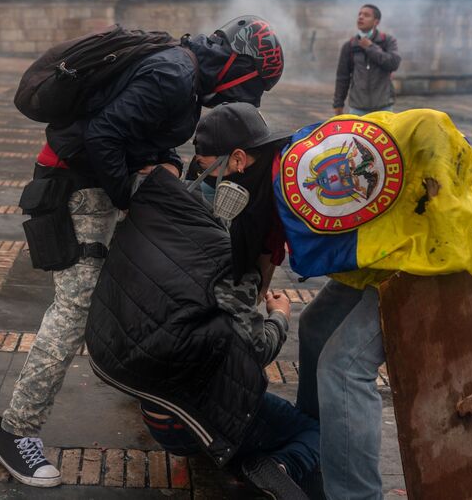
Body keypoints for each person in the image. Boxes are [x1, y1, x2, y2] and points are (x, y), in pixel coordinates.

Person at [0, 17, 286, 487]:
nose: (234, 100)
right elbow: (103, 136)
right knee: (74, 309)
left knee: (133, 280)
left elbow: (135, 130)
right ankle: (15, 431)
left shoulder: (181, 73)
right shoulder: (176, 75)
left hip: (94, 183)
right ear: (239, 69)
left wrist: (161, 160)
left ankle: (145, 390)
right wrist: (132, 196)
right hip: (77, 190)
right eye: (247, 88)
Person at [85, 103, 319, 498]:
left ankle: (244, 455)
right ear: (240, 159)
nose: (199, 172)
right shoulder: (225, 252)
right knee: (313, 434)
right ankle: (279, 466)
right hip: (188, 418)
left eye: (204, 163)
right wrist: (279, 316)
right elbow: (253, 351)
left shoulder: (159, 205)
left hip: (152, 399)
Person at [333, 4, 401, 116]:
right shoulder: (350, 45)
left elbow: (393, 63)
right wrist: (338, 104)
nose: (360, 17)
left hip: (383, 106)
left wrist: (371, 48)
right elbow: (342, 77)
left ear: (376, 22)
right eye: (359, 14)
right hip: (357, 108)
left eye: (366, 15)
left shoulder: (387, 41)